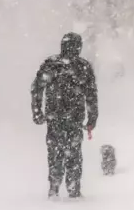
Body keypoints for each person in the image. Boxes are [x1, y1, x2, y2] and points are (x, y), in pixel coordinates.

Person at [31, 32, 98, 199]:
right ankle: (71, 189)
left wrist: (38, 111)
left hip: (57, 118)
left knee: (56, 154)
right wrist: (92, 118)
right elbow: (91, 95)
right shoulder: (82, 67)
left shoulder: (52, 64)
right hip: (71, 119)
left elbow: (37, 89)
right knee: (72, 155)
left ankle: (56, 187)